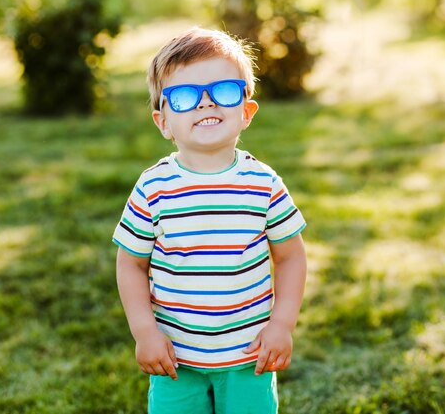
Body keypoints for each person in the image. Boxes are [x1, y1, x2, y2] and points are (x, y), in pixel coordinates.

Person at [112, 27, 307, 414]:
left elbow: (291, 257)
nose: (206, 105)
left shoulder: (264, 184)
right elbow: (131, 263)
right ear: (163, 122)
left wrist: (282, 324)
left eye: (224, 92)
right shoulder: (153, 188)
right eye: (184, 97)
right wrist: (145, 332)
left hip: (250, 357)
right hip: (175, 360)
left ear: (246, 111)